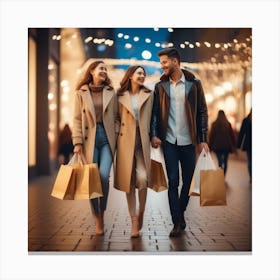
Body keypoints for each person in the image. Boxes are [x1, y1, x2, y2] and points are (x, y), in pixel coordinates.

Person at [150, 47, 209, 237]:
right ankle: (176, 221)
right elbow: (155, 114)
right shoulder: (160, 87)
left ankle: (180, 211)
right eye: (161, 63)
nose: (162, 66)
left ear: (175, 61)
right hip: (169, 141)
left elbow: (202, 112)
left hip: (189, 141)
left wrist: (203, 139)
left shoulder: (194, 84)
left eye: (165, 62)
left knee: (189, 181)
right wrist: (154, 134)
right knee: (173, 181)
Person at [72, 59, 119, 235]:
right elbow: (77, 119)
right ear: (91, 71)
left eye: (106, 69)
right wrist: (77, 142)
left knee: (103, 176)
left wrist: (115, 133)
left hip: (106, 138)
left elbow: (116, 117)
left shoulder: (111, 92)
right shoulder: (80, 93)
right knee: (91, 179)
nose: (104, 71)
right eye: (101, 68)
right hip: (88, 140)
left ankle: (102, 212)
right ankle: (96, 218)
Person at [114, 66, 153, 238]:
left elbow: (155, 117)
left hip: (142, 141)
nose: (142, 76)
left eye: (144, 73)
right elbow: (115, 118)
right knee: (128, 182)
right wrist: (117, 135)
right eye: (139, 73)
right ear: (130, 76)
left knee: (143, 179)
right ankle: (134, 220)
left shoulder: (150, 94)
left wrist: (154, 135)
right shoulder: (119, 95)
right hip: (125, 141)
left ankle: (141, 211)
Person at [208, 110, 236, 175]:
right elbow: (232, 135)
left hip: (217, 146)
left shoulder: (214, 124)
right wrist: (234, 146)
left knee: (219, 161)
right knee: (225, 161)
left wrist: (210, 145)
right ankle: (224, 175)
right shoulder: (228, 124)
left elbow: (211, 136)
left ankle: (221, 174)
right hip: (226, 146)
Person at [237, 109, 252, 182]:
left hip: (248, 144)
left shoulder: (246, 120)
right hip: (249, 144)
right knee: (250, 161)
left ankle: (251, 176)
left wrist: (238, 145)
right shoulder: (246, 120)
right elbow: (242, 133)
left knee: (250, 161)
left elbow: (241, 133)